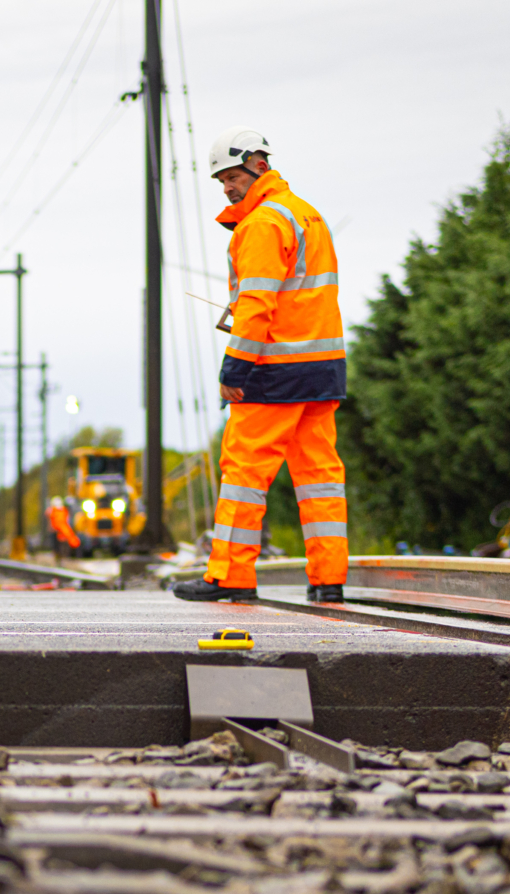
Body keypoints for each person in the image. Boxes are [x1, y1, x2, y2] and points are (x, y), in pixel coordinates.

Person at [170, 129, 349, 605]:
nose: (227, 188)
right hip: (322, 369)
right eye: (222, 181)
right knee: (320, 477)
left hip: (275, 372)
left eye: (232, 177)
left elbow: (256, 304)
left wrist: (234, 370)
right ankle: (329, 579)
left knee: (243, 473)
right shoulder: (307, 215)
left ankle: (230, 575)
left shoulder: (263, 224)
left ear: (259, 166)